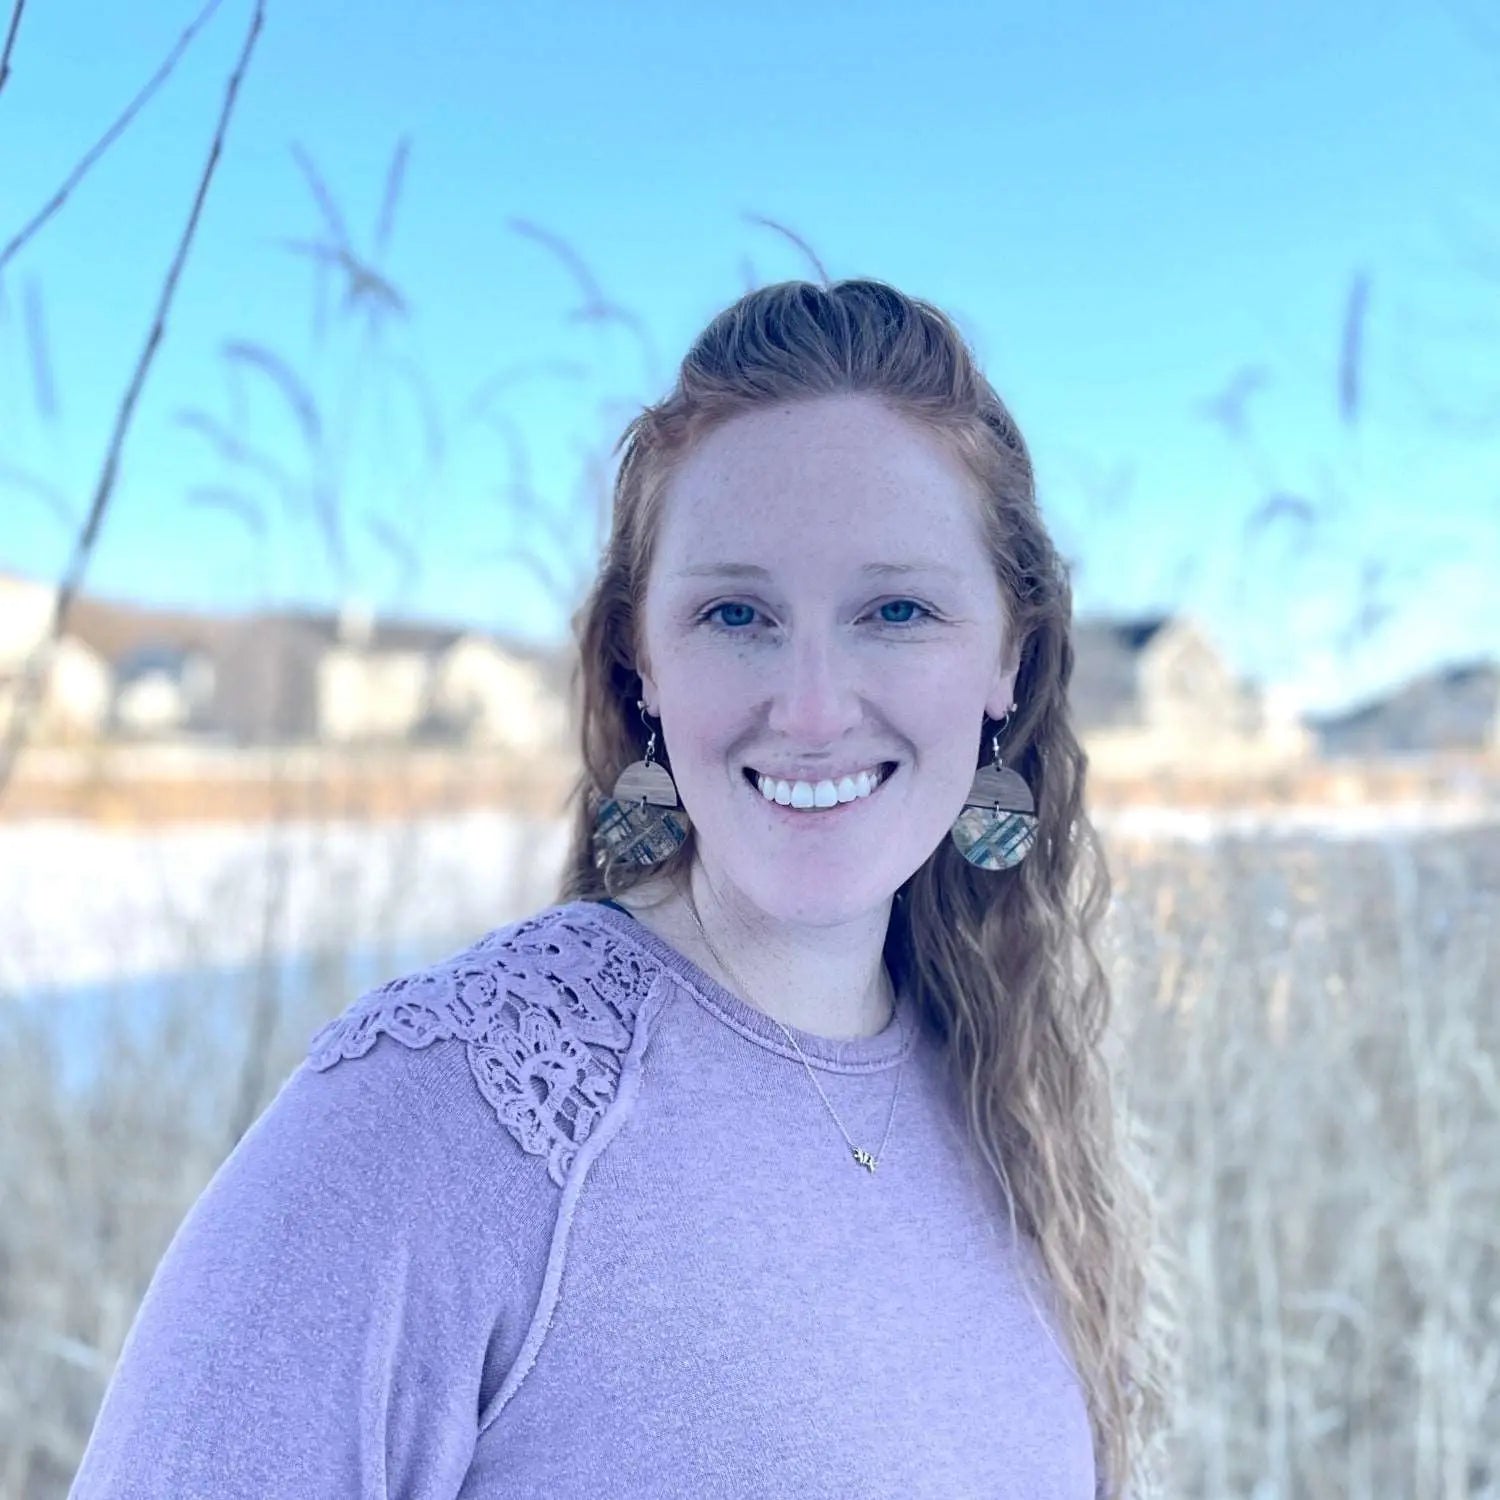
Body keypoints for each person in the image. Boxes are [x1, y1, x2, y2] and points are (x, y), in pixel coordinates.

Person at [70, 279, 1164, 1498]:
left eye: (896, 609)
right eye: (735, 612)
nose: (810, 708)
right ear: (640, 662)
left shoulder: (1003, 1103)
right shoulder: (437, 1112)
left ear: (1009, 656)